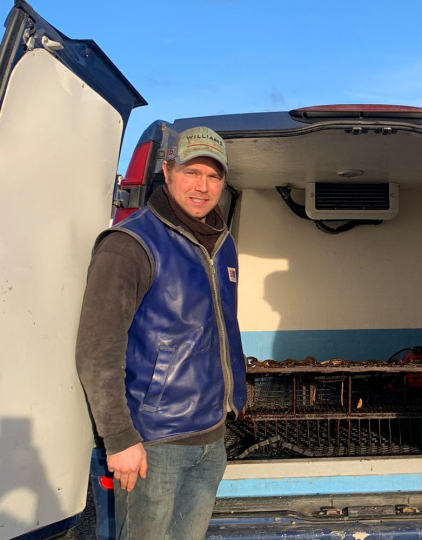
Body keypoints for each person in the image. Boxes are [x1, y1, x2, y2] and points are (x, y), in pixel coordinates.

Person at [76, 126, 246, 539]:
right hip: (153, 443)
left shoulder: (221, 244)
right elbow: (97, 350)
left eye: (214, 176)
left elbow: (220, 330)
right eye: (192, 172)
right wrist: (119, 438)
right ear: (168, 171)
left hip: (210, 436)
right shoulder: (130, 244)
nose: (203, 187)